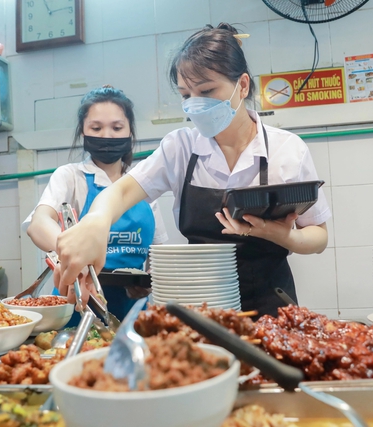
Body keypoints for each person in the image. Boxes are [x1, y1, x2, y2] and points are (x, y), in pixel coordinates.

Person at [55, 23, 331, 317]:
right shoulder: (180, 148)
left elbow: (318, 236)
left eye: (207, 90)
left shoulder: (286, 149)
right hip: (202, 305)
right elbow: (120, 192)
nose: (196, 104)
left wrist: (280, 235)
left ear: (243, 85)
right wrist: (98, 221)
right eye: (186, 95)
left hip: (271, 306)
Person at [22, 85, 168, 320]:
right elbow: (38, 225)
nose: (107, 136)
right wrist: (73, 253)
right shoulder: (70, 176)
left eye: (117, 128)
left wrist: (150, 280)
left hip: (134, 313)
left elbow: (159, 253)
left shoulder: (141, 184)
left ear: (130, 133)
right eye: (96, 128)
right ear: (83, 133)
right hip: (77, 305)